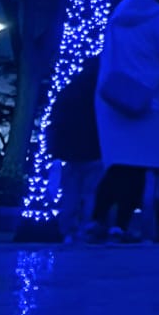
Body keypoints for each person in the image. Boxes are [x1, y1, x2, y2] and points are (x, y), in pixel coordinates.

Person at [90, 0, 159, 243]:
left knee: (118, 164)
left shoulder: (118, 15)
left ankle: (97, 218)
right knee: (139, 165)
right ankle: (121, 225)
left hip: (114, 98)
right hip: (148, 102)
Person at [49, 54, 104, 243]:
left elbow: (56, 118)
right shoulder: (100, 91)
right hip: (95, 148)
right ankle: (86, 228)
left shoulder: (69, 90)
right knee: (91, 192)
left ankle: (67, 231)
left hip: (70, 150)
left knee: (70, 192)